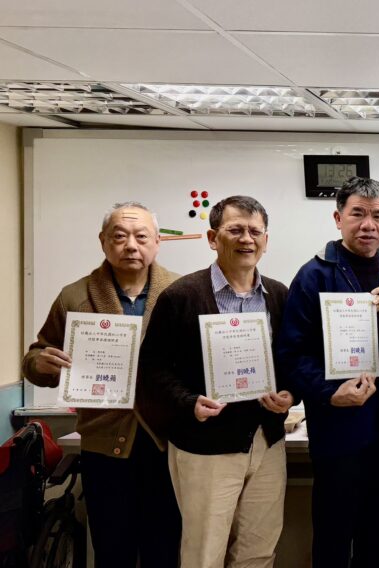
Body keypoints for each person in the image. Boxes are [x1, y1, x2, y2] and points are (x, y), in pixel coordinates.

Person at [137, 195, 295, 568]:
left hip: (266, 441)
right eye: (235, 230)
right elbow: (151, 370)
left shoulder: (278, 295)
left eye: (255, 231)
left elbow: (292, 360)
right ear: (213, 238)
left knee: (258, 552)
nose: (246, 239)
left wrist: (292, 393)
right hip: (205, 446)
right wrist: (188, 402)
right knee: (204, 554)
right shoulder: (181, 296)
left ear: (266, 240)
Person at [21, 202, 180, 568]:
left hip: (167, 444)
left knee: (164, 549)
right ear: (103, 241)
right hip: (104, 445)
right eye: (119, 236)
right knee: (112, 550)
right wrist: (41, 364)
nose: (131, 245)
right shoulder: (74, 296)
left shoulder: (181, 291)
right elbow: (37, 355)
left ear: (157, 242)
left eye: (141, 236)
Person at [277, 177, 379, 568]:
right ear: (338, 218)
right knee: (334, 537)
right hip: (339, 431)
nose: (368, 224)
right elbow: (290, 353)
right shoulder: (314, 275)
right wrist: (328, 392)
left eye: (378, 215)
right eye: (358, 214)